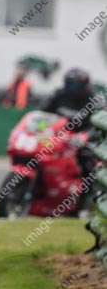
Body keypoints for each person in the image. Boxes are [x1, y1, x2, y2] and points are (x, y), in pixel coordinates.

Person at [45, 68, 101, 210]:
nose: (73, 88)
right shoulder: (59, 95)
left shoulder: (94, 99)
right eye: (70, 84)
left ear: (85, 85)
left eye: (77, 84)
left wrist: (86, 135)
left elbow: (100, 123)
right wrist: (41, 128)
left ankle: (85, 203)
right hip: (58, 137)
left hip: (83, 141)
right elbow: (43, 113)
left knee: (88, 162)